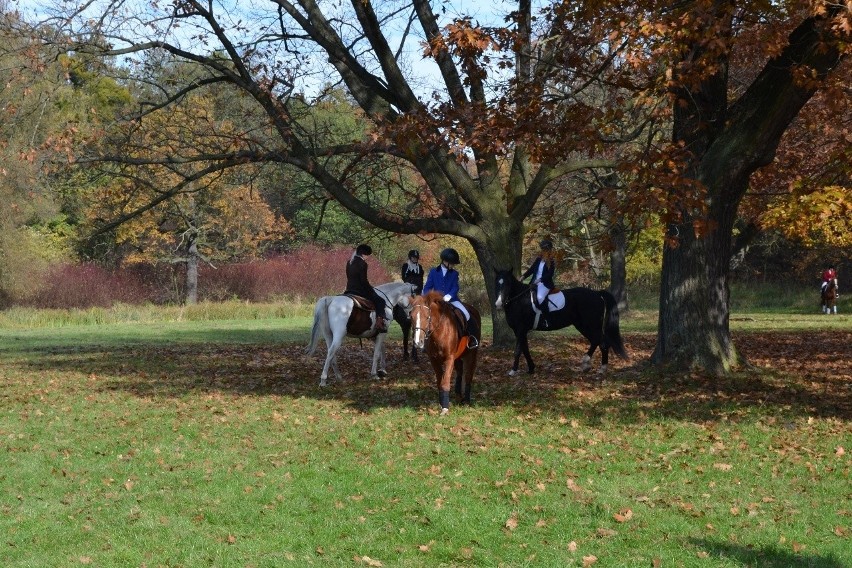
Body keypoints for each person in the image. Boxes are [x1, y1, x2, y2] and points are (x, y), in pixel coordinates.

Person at [423, 247, 479, 349]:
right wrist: (428, 296)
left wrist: (449, 295)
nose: (453, 265)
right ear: (445, 261)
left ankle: (471, 338)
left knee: (466, 314)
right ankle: (425, 342)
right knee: (425, 317)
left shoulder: (454, 273)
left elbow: (455, 287)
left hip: (452, 300)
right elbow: (427, 287)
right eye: (452, 263)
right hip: (436, 301)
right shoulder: (433, 272)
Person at [345, 244, 388, 332]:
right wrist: (371, 289)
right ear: (364, 254)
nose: (368, 257)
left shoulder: (349, 262)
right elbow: (363, 281)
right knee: (380, 301)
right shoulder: (363, 263)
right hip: (359, 291)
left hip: (349, 289)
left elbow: (349, 277)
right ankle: (379, 323)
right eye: (368, 255)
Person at [522, 239, 556, 320]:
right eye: (542, 249)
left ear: (549, 250)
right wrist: (523, 276)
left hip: (544, 284)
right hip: (534, 282)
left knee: (540, 297)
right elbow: (531, 270)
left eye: (545, 249)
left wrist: (540, 279)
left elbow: (550, 274)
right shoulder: (538, 260)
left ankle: (546, 319)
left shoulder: (552, 261)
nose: (543, 251)